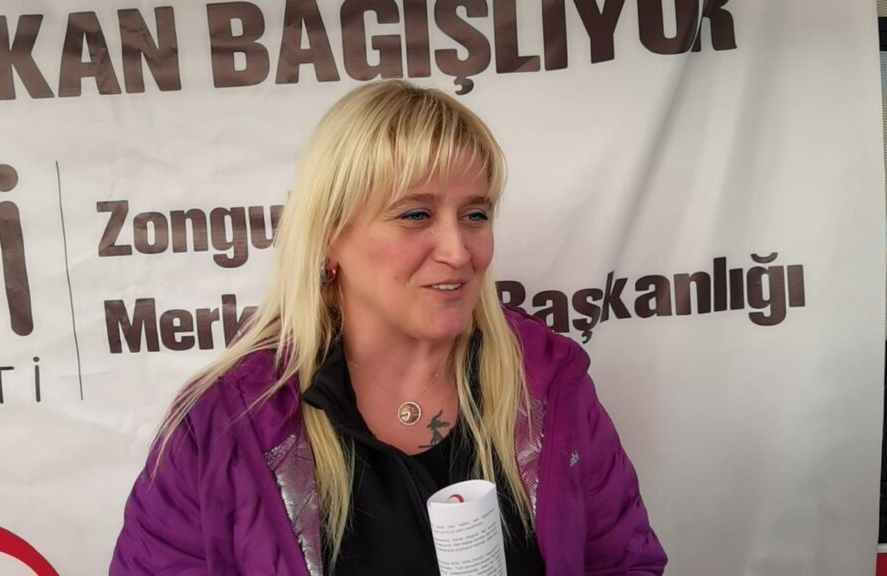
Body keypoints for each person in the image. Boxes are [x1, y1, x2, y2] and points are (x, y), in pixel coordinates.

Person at [110, 80, 666, 575]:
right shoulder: (225, 426)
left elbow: (623, 562)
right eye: (415, 214)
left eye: (475, 215)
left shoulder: (548, 386)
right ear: (330, 236)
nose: (458, 251)